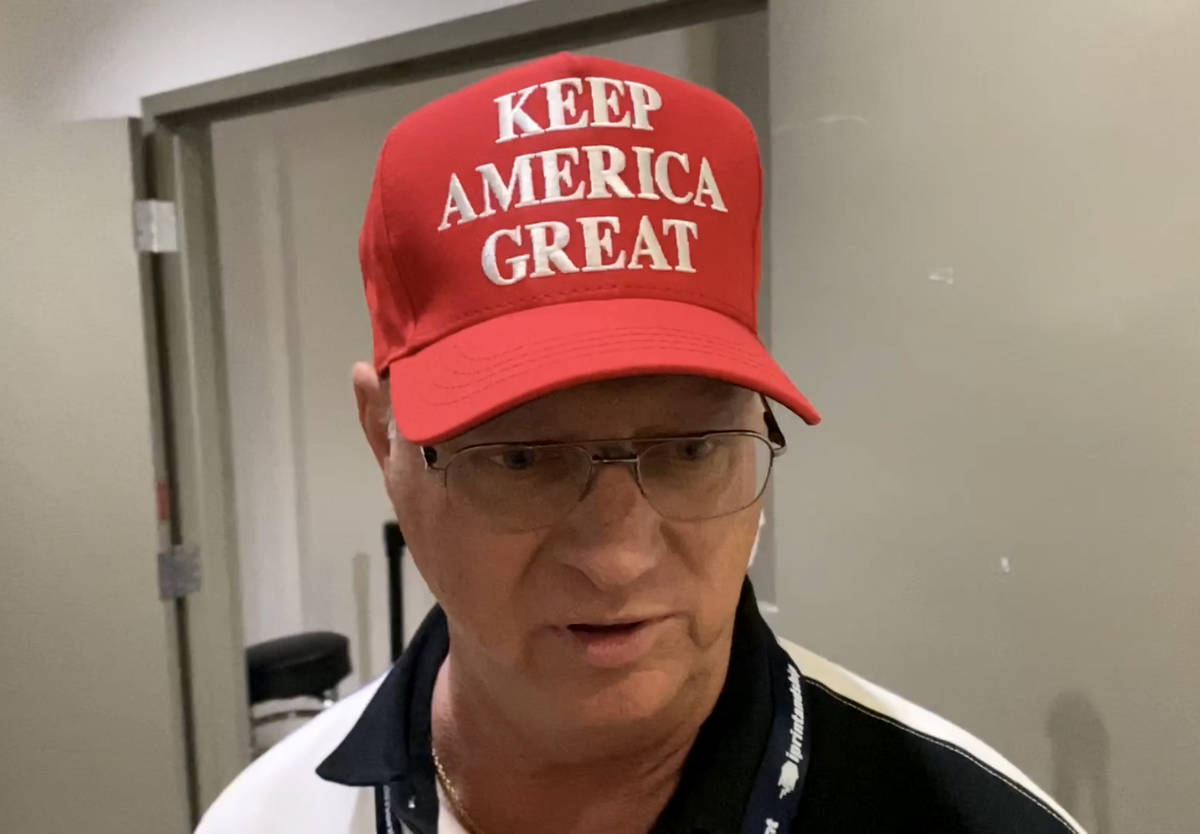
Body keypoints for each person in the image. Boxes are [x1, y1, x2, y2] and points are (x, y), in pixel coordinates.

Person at [196, 52, 1087, 834]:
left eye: (692, 449)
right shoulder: (266, 821)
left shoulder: (966, 820)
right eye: (523, 458)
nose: (617, 560)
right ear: (381, 440)